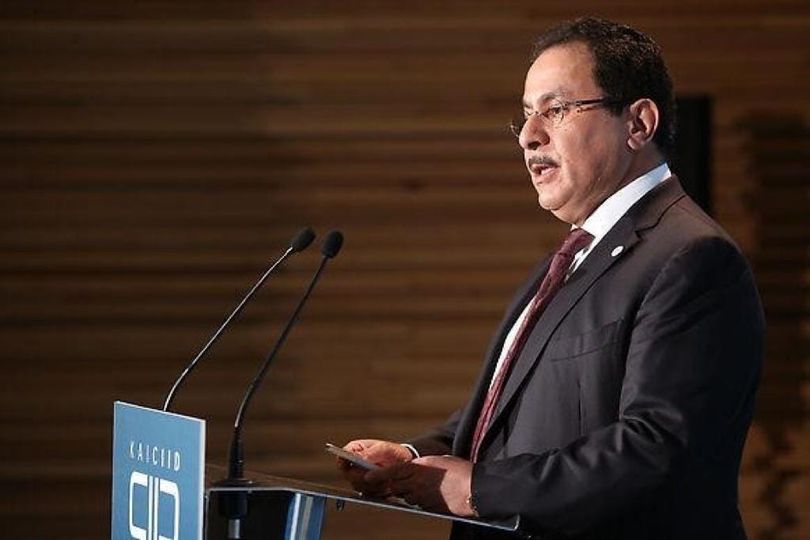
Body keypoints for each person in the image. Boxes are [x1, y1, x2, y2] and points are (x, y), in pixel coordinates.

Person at [338, 17, 764, 540]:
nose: (529, 136)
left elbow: (656, 448)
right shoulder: (570, 258)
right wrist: (414, 459)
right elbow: (511, 415)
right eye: (525, 115)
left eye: (556, 110)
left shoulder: (692, 257)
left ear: (638, 124)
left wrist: (481, 490)